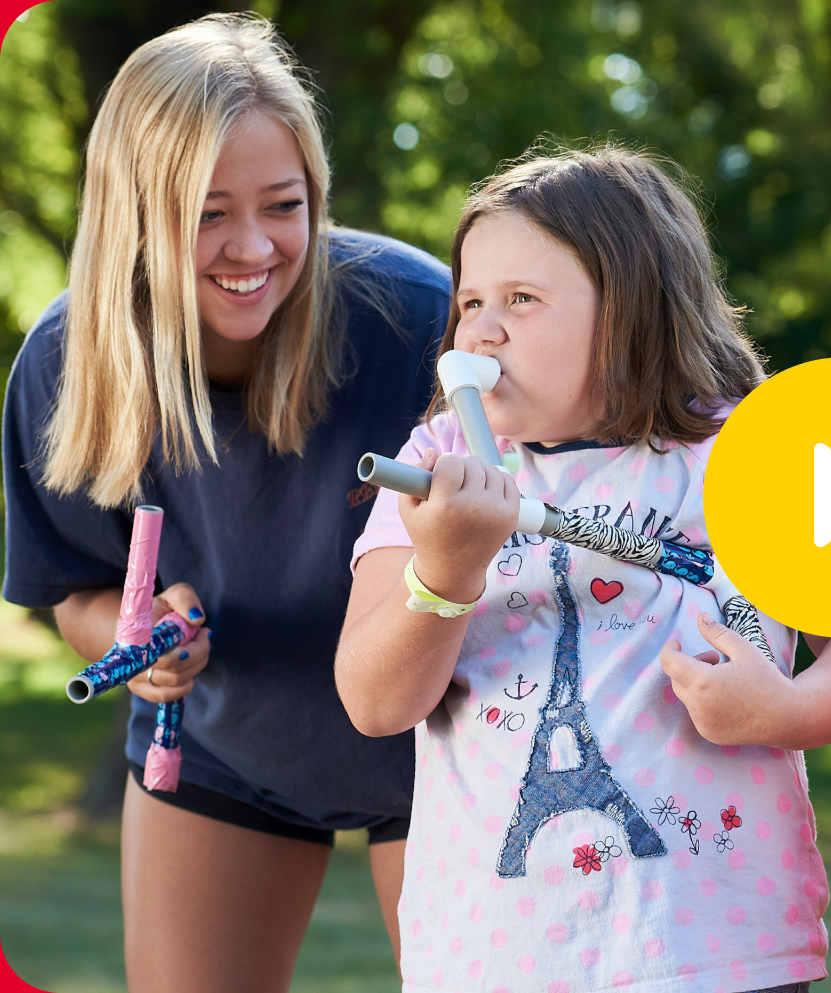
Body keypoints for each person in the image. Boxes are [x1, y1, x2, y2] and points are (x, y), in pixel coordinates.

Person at [334, 146, 831, 993]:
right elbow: (374, 700)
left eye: (522, 300)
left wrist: (788, 707)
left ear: (633, 310)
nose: (481, 329)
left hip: (719, 951)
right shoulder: (435, 462)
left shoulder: (756, 455)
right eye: (470, 301)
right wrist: (447, 570)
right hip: (493, 955)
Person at [0, 14, 452, 992]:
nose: (253, 246)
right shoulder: (64, 362)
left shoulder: (418, 317)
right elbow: (72, 588)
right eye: (206, 214)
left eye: (284, 205)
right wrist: (136, 648)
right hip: (222, 748)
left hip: (445, 740)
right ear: (133, 214)